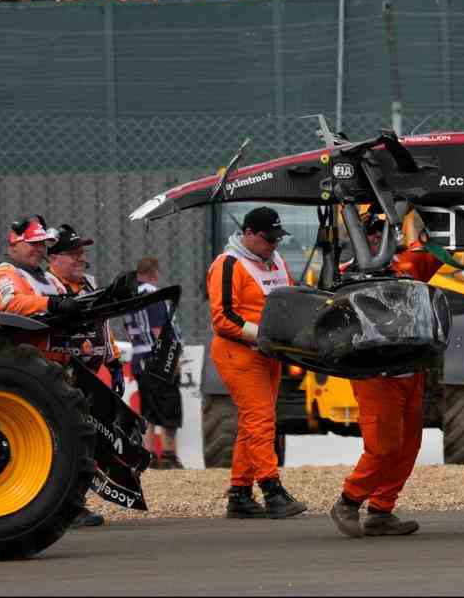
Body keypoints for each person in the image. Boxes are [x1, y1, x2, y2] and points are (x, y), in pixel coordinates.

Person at [329, 211, 439, 538]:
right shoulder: (342, 275)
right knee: (384, 447)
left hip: (410, 370)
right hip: (374, 373)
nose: (376, 238)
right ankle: (348, 502)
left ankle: (381, 511)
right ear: (356, 238)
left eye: (381, 232)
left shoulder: (408, 264)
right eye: (370, 233)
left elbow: (438, 252)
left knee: (408, 446)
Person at [206, 206, 307, 519]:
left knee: (255, 424)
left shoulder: (274, 260)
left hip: (268, 352)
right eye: (268, 238)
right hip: (238, 353)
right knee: (260, 420)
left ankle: (239, 493)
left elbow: (288, 298)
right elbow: (223, 317)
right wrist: (263, 334)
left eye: (277, 238)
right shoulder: (228, 264)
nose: (274, 244)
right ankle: (271, 488)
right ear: (248, 234)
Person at [46, 223, 126, 529]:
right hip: (57, 374)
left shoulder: (88, 285)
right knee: (66, 442)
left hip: (88, 376)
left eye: (82, 253)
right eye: (73, 253)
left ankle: (74, 503)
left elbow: (104, 326)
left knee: (85, 441)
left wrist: (115, 362)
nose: (81, 258)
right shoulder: (49, 287)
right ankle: (68, 507)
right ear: (53, 258)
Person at [123, 256, 185, 470]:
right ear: (154, 272)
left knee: (148, 408)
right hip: (158, 358)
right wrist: (171, 359)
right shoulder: (154, 295)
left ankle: (149, 455)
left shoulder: (131, 297)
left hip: (139, 357)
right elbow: (160, 331)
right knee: (170, 405)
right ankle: (169, 455)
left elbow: (130, 332)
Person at [0, 216, 79, 347]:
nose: (40, 249)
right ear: (14, 245)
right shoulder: (4, 272)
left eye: (43, 244)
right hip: (20, 358)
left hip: (56, 357)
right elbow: (12, 304)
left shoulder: (49, 278)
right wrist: (51, 303)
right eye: (34, 243)